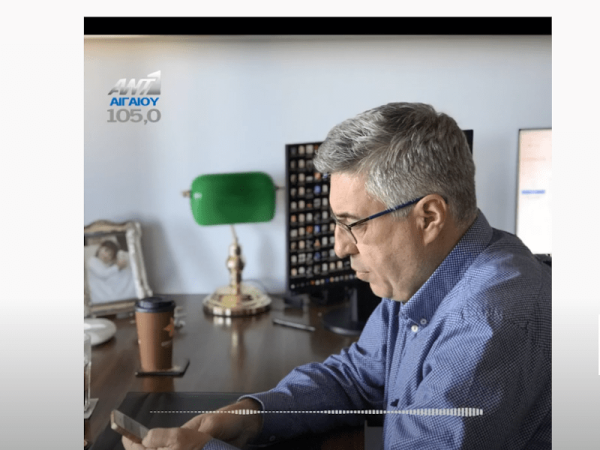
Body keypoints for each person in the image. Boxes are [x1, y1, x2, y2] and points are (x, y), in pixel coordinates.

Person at [123, 103, 551, 450]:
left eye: (353, 223)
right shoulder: (422, 277)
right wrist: (252, 416)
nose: (339, 246)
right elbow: (357, 377)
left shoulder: (489, 322)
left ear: (429, 217)